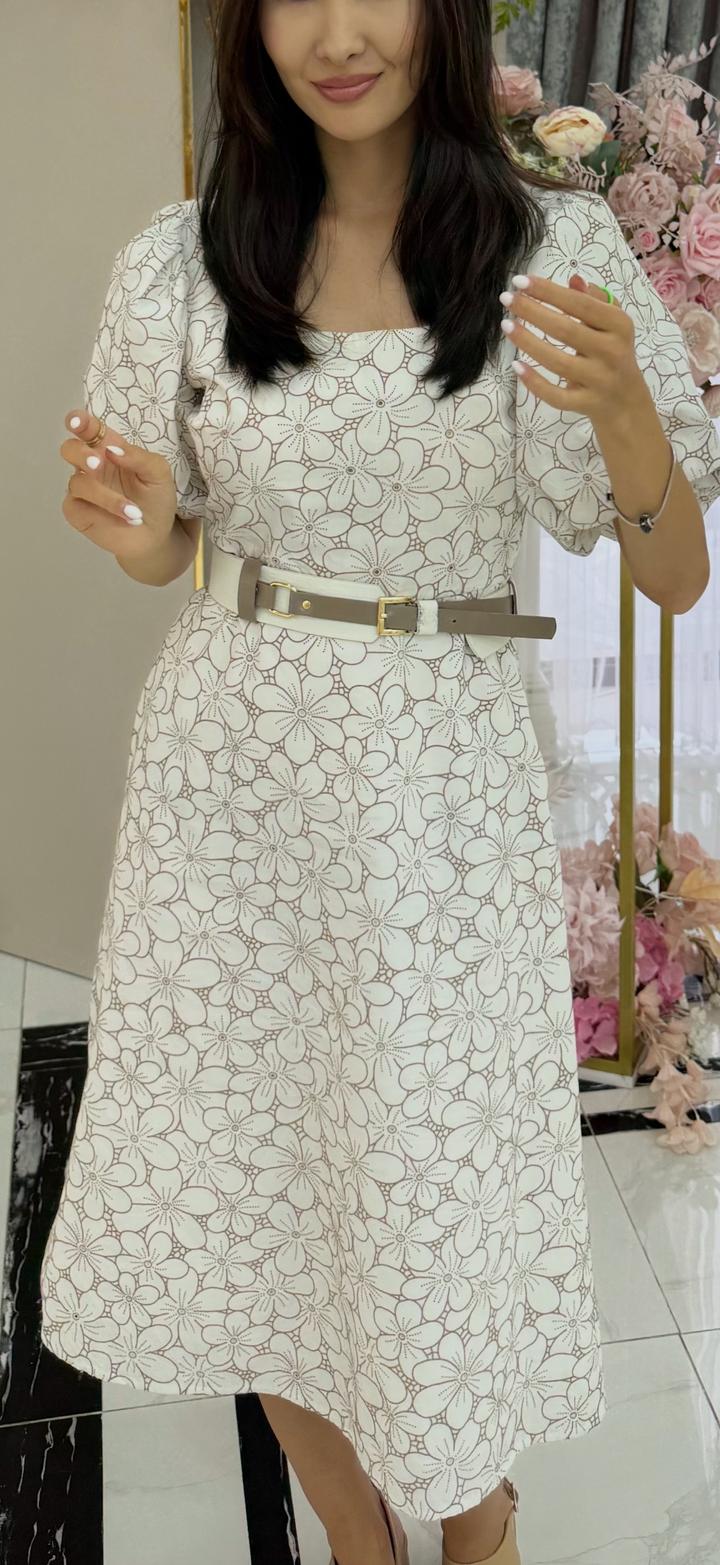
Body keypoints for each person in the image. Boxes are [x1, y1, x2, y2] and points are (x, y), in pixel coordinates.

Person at [42, 1, 720, 1563]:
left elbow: (677, 574)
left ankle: (477, 1521)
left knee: (432, 1183)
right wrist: (143, 534)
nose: (338, 33)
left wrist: (628, 412)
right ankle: (356, 1529)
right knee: (257, 1171)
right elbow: (170, 539)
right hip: (229, 781)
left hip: (439, 791)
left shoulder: (550, 252)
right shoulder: (180, 261)